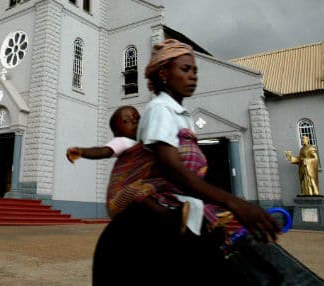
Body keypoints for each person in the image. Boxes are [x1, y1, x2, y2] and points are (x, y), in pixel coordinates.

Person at [93, 39, 281, 285]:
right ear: (163, 73)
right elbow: (174, 171)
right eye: (185, 69)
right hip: (155, 209)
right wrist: (236, 204)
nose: (193, 76)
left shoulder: (183, 117)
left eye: (194, 70)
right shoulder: (160, 109)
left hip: (180, 203)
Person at [67, 105, 195, 234]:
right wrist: (82, 151)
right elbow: (104, 151)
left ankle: (177, 214)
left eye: (137, 119)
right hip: (119, 199)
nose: (134, 122)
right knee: (138, 192)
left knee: (160, 187)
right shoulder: (123, 141)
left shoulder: (146, 143)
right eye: (126, 121)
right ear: (117, 132)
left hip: (140, 189)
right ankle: (171, 216)